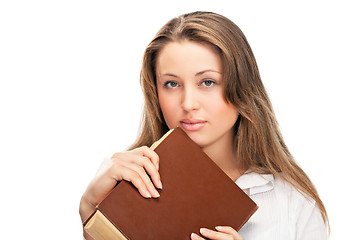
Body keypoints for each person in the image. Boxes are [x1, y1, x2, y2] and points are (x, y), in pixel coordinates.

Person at [79, 11, 329, 239]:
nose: (188, 104)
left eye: (208, 82)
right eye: (172, 84)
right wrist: (89, 208)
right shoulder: (121, 180)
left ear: (242, 87)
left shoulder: (295, 204)